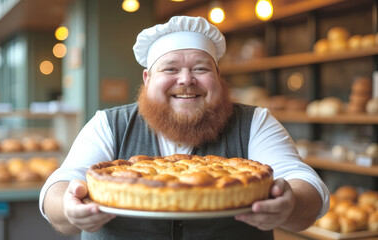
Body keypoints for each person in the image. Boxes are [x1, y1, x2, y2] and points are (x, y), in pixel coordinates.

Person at [40, 16, 329, 240]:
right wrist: (68, 208)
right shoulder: (108, 123)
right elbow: (61, 184)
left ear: (218, 76)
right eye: (170, 69)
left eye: (201, 69)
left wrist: (289, 204)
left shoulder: (255, 122)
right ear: (147, 78)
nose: (186, 80)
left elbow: (303, 182)